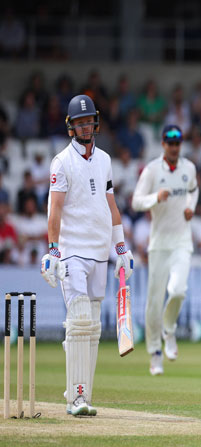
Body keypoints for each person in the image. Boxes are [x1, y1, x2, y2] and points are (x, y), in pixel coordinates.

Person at [40, 94, 134, 416]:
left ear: (95, 123)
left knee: (91, 327)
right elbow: (55, 208)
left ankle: (83, 394)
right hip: (72, 253)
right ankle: (76, 398)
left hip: (99, 252)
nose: (85, 127)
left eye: (88, 121)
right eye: (79, 123)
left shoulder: (105, 159)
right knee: (79, 319)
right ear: (71, 127)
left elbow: (110, 204)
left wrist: (121, 248)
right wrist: (53, 250)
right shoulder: (61, 162)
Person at [132, 125, 198, 376]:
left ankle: (169, 330)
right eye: (170, 143)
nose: (174, 147)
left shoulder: (189, 168)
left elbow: (193, 190)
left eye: (177, 143)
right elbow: (136, 201)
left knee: (178, 290)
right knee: (154, 301)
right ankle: (154, 353)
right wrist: (155, 198)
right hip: (159, 244)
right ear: (163, 144)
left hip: (182, 241)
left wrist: (191, 207)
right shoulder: (151, 170)